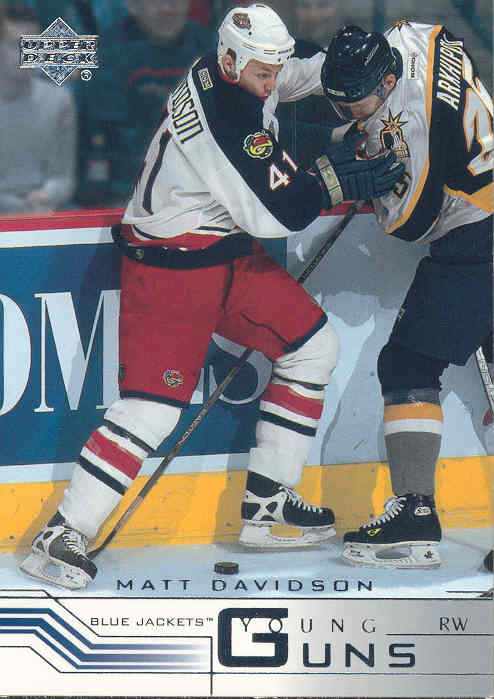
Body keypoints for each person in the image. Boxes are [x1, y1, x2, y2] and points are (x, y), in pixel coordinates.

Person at [20, 3, 403, 589]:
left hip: (223, 253)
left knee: (312, 348)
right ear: (230, 61)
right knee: (150, 409)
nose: (272, 83)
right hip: (169, 268)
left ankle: (268, 504)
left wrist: (356, 69)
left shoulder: (234, 68)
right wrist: (336, 177)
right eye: (263, 73)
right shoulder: (225, 120)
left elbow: (302, 74)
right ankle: (63, 531)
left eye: (273, 69)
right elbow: (281, 215)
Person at [319, 23, 493, 568]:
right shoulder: (412, 34)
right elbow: (448, 38)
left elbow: (411, 224)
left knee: (406, 366)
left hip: (479, 237)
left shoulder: (413, 124)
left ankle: (415, 516)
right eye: (338, 102)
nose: (348, 113)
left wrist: (373, 186)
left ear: (389, 80)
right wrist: (367, 134)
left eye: (355, 103)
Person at [76, 0, 214, 207]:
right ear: (132, 6)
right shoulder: (107, 52)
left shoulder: (209, 46)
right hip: (127, 189)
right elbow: (110, 136)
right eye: (156, 2)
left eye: (176, 2)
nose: (168, 9)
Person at [0, 5, 76, 214]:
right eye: (16, 45)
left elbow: (64, 177)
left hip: (42, 211)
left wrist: (48, 195)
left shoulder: (59, 101)